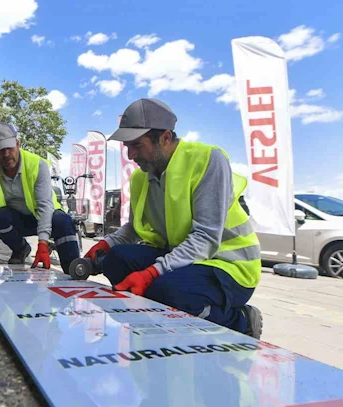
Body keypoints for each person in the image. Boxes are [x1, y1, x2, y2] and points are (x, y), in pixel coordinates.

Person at [84, 98, 263, 338]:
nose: (131, 154)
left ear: (165, 138)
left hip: (229, 265)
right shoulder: (141, 178)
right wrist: (106, 244)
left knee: (167, 291)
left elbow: (206, 238)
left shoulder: (207, 160)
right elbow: (133, 229)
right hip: (185, 259)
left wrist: (151, 273)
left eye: (137, 145)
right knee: (115, 259)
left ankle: (240, 321)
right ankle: (155, 318)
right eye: (127, 146)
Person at [0, 122, 80, 273]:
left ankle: (74, 269)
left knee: (63, 221)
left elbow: (44, 206)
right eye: (0, 151)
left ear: (17, 144)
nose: (5, 154)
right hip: (18, 221)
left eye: (9, 148)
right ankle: (21, 249)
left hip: (45, 217)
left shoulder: (37, 165)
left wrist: (42, 244)